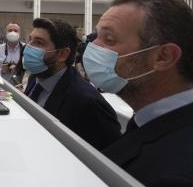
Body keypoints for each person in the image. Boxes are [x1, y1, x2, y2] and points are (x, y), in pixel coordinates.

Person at [83, 0, 193, 186]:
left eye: (109, 39)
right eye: (96, 36)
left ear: (163, 57)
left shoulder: (180, 176)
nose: (93, 46)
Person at [23, 18, 121, 149]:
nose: (28, 47)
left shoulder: (87, 102)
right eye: (30, 40)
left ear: (63, 54)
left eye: (39, 42)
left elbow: (107, 158)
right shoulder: (36, 78)